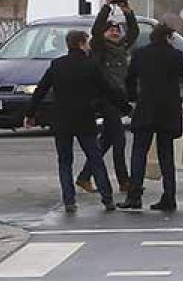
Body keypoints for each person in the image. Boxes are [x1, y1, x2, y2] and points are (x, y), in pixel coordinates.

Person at [27, 30, 132, 213]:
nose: (89, 46)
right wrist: (126, 108)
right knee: (95, 158)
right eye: (87, 43)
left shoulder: (57, 65)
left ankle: (69, 200)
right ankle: (107, 198)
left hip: (62, 119)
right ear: (81, 44)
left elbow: (41, 90)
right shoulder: (90, 66)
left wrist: (30, 113)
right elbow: (108, 89)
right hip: (85, 117)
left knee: (65, 161)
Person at [120, 24, 183, 212]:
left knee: (139, 153)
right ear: (168, 37)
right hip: (169, 111)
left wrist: (132, 98)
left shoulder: (141, 54)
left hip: (145, 108)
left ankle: (134, 196)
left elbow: (129, 79)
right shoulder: (175, 56)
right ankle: (169, 196)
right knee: (166, 155)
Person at [76, 0, 139, 194]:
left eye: (116, 30)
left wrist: (127, 11)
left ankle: (84, 177)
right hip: (105, 99)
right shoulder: (99, 47)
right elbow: (95, 30)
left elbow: (134, 33)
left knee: (107, 141)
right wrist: (106, 6)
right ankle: (124, 181)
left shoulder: (122, 47)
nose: (114, 32)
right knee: (118, 140)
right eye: (110, 30)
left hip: (118, 100)